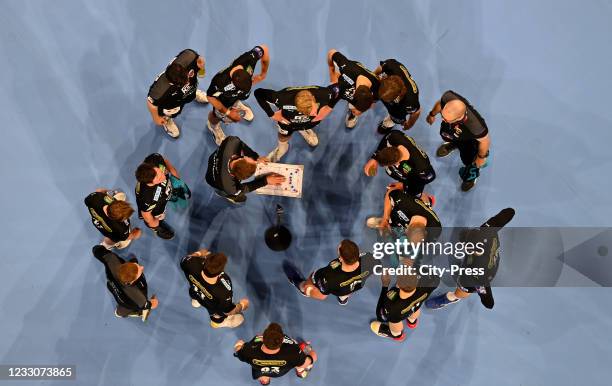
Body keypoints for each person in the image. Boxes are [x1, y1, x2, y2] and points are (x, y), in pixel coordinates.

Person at [426, 208, 516, 310]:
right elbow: (507, 214)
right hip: (486, 256)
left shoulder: (476, 277)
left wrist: (486, 299)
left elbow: (488, 301)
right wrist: (509, 213)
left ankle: (452, 298)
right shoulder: (487, 229)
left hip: (485, 272)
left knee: (462, 290)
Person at [253, 84, 340, 162]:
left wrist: (329, 107)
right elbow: (258, 93)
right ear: (297, 108)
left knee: (309, 122)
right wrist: (271, 114)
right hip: (288, 122)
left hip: (309, 122)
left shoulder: (325, 93)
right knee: (283, 135)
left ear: (313, 98)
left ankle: (304, 130)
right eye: (308, 113)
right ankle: (282, 148)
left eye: (314, 109)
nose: (315, 114)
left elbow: (341, 88)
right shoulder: (281, 98)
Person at [426, 90, 491, 191]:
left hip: (468, 140)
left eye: (445, 119)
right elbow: (440, 103)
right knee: (447, 135)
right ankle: (454, 144)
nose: (442, 120)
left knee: (469, 161)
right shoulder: (449, 97)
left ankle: (470, 178)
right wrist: (432, 114)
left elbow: (485, 141)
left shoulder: (476, 127)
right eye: (442, 116)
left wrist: (481, 157)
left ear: (460, 118)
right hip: (455, 134)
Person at [206, 45, 270, 145]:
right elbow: (210, 97)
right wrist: (228, 113)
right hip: (224, 101)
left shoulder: (250, 58)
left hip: (235, 97)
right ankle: (213, 126)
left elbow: (264, 49)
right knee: (216, 115)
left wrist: (263, 74)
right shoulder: (219, 82)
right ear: (233, 84)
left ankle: (236, 104)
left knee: (237, 98)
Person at [285, 239, 376, 305]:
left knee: (306, 286)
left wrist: (308, 289)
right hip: (353, 287)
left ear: (341, 258)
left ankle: (299, 284)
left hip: (331, 284)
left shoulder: (328, 277)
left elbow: (322, 296)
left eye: (338, 249)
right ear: (358, 252)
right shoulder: (369, 259)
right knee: (346, 292)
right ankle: (343, 300)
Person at [370, 260, 439, 341]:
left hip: (398, 313)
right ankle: (412, 322)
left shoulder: (391, 300)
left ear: (398, 284)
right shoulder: (432, 281)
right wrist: (414, 266)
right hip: (416, 305)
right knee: (414, 309)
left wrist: (385, 285)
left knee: (394, 323)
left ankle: (397, 335)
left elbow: (381, 313)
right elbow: (433, 277)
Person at [147, 48, 209, 138]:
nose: (187, 81)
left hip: (189, 91)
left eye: (186, 78)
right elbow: (151, 104)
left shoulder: (188, 56)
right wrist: (156, 118)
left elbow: (200, 59)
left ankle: (194, 93)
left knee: (191, 90)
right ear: (172, 83)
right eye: (184, 83)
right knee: (171, 112)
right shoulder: (160, 90)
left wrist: (202, 70)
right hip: (172, 102)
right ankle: (168, 120)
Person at [180, 248, 249, 328]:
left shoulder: (191, 263)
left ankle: (195, 302)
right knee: (217, 314)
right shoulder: (224, 289)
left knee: (196, 294)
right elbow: (228, 311)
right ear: (221, 271)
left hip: (195, 292)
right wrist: (242, 305)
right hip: (212, 306)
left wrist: (199, 253)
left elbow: (185, 259)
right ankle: (217, 323)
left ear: (205, 260)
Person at [205, 136, 285, 203]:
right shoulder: (230, 187)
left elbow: (242, 145)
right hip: (212, 180)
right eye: (250, 158)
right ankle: (224, 194)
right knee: (233, 194)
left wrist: (256, 157)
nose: (253, 160)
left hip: (215, 158)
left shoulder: (232, 142)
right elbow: (244, 188)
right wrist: (265, 181)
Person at [234, 322, 317, 384]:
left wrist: (239, 344)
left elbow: (238, 350)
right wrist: (310, 351)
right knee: (301, 360)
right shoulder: (292, 351)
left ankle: (265, 380)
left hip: (260, 371)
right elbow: (310, 360)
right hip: (281, 372)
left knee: (260, 375)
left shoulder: (249, 349)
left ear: (263, 338)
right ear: (282, 341)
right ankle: (300, 371)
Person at [363, 130, 435, 197]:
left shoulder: (421, 166)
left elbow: (431, 177)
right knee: (390, 171)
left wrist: (402, 186)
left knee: (413, 193)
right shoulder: (394, 136)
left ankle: (428, 200)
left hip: (415, 174)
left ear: (394, 163)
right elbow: (386, 137)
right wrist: (374, 158)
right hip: (407, 169)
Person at [92, 245, 158, 318]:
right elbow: (146, 305)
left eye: (136, 265)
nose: (142, 267)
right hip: (127, 302)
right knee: (128, 308)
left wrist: (98, 249)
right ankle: (121, 313)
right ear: (132, 282)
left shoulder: (112, 259)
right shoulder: (139, 298)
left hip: (112, 286)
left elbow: (97, 250)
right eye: (140, 270)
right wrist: (152, 304)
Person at [366, 184, 441, 241]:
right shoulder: (404, 202)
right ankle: (382, 221)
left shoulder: (435, 231)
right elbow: (390, 192)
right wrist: (385, 218)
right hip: (409, 203)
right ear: (407, 229)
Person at [327, 49, 379, 129]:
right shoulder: (347, 68)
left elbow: (372, 102)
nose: (359, 114)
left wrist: (359, 110)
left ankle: (352, 112)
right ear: (353, 94)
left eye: (361, 112)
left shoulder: (377, 88)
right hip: (351, 71)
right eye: (358, 111)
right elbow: (331, 52)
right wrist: (332, 73)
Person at [135, 153, 181, 239]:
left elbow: (164, 160)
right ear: (150, 183)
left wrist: (174, 174)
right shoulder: (147, 198)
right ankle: (159, 227)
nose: (163, 176)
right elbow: (147, 216)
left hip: (165, 194)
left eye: (160, 172)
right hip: (156, 210)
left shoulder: (154, 159)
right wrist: (155, 226)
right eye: (159, 178)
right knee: (158, 217)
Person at [373, 58, 421, 134]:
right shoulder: (391, 66)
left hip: (400, 106)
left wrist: (410, 124)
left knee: (397, 115)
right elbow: (380, 68)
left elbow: (416, 112)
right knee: (374, 85)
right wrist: (372, 77)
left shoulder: (410, 101)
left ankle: (391, 120)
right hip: (385, 87)